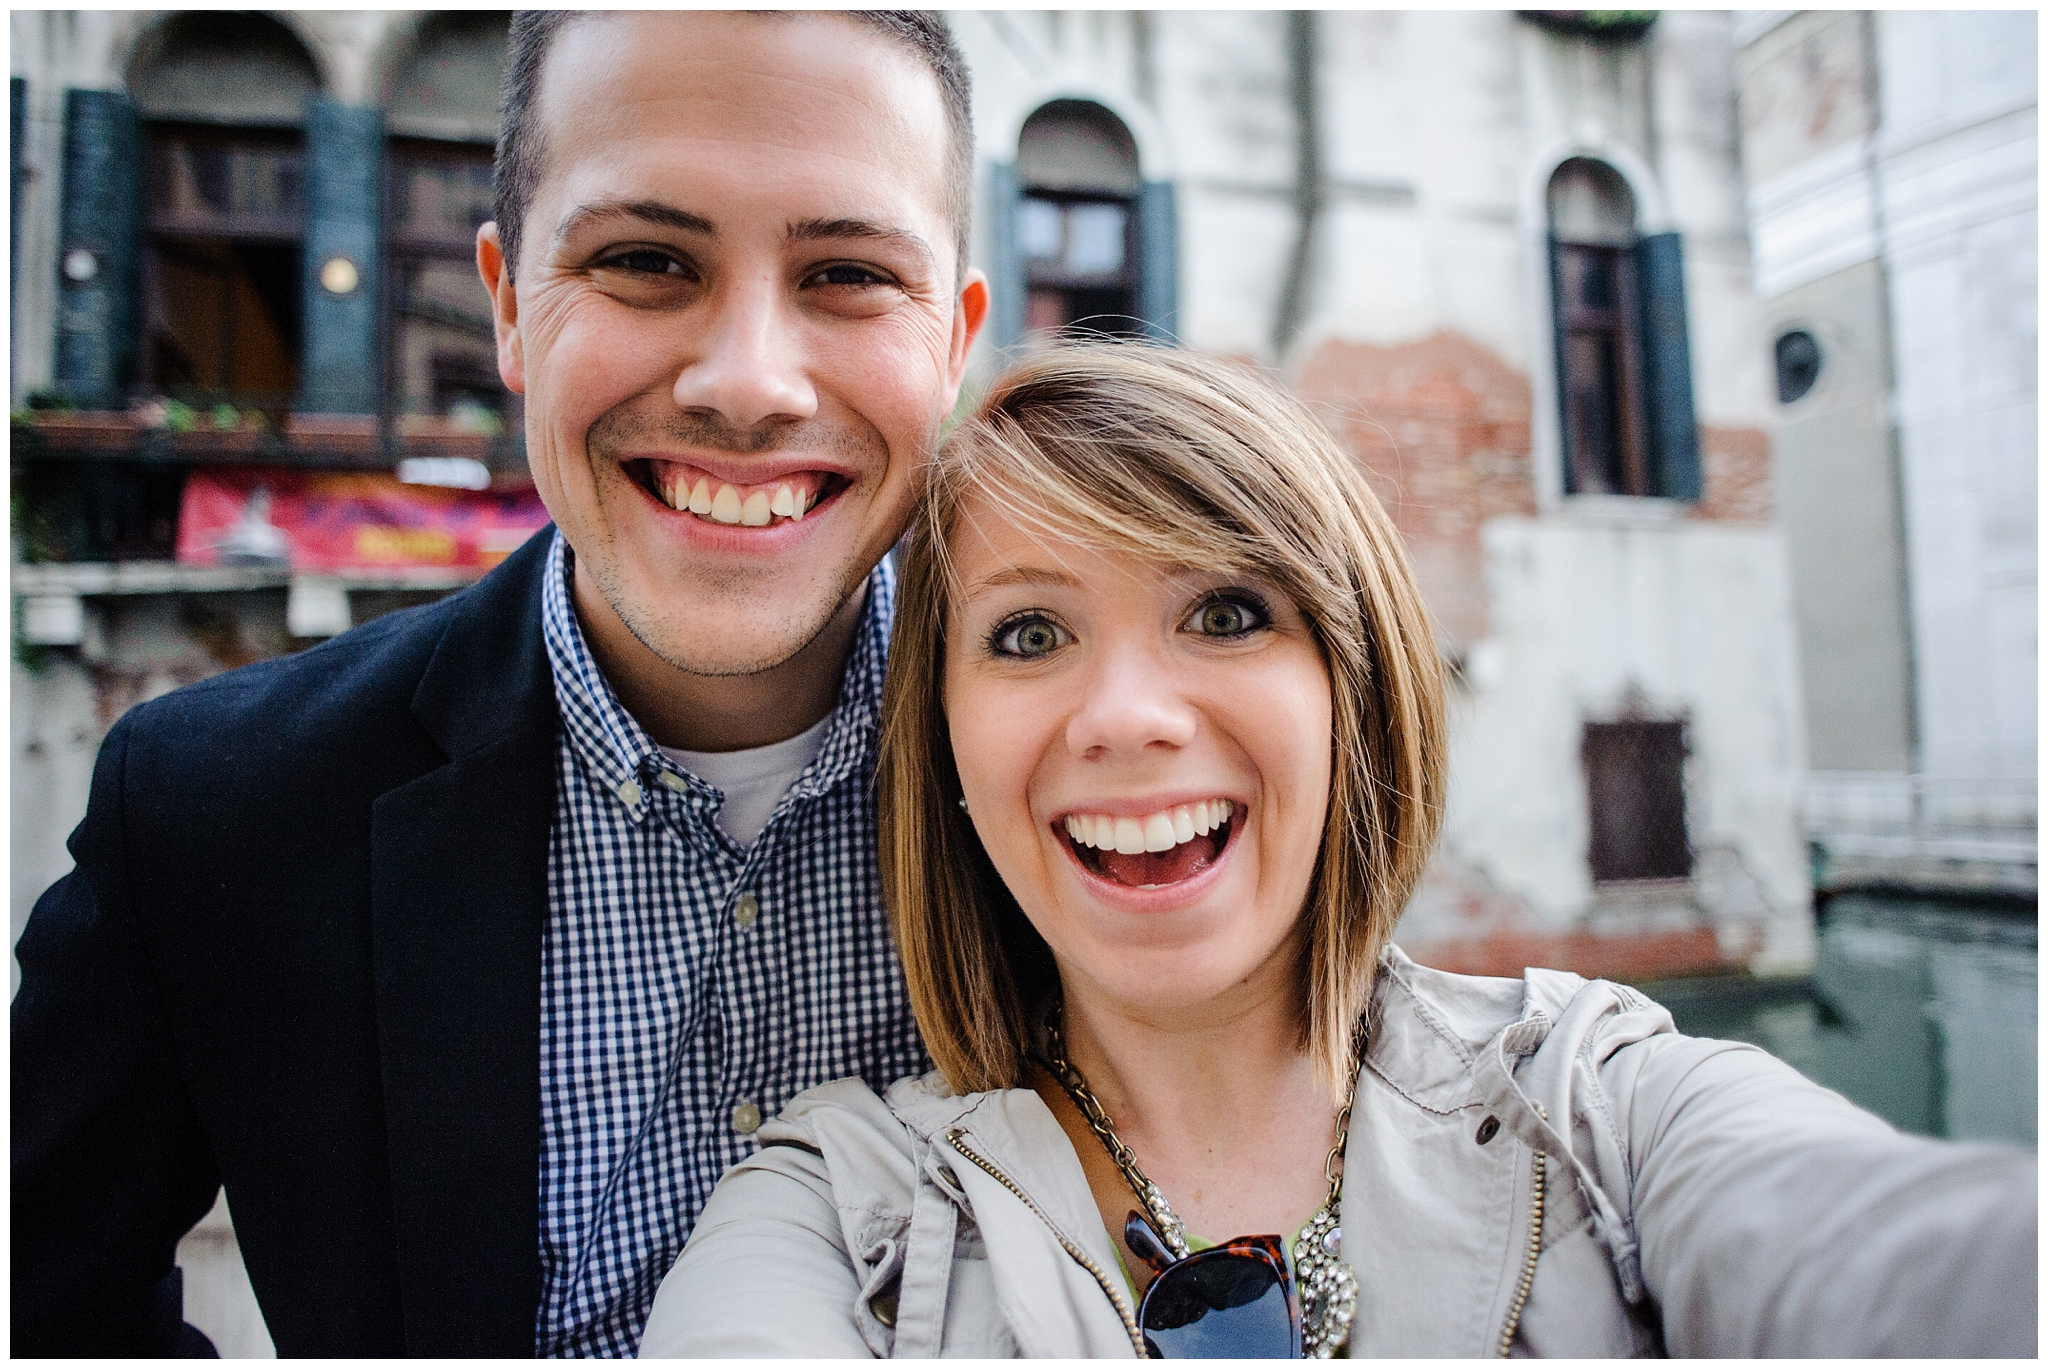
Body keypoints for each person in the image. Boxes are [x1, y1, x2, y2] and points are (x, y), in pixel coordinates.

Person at [639, 342, 2036, 1358]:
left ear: (1349, 692)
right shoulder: (834, 1213)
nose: (1126, 717)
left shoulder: (1606, 1111)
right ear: (940, 741)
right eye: (1029, 632)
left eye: (1226, 613)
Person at [12, 11, 986, 1356]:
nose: (749, 384)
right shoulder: (212, 813)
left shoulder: (1101, 787)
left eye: (850, 274)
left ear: (953, 340)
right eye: (646, 261)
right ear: (511, 306)